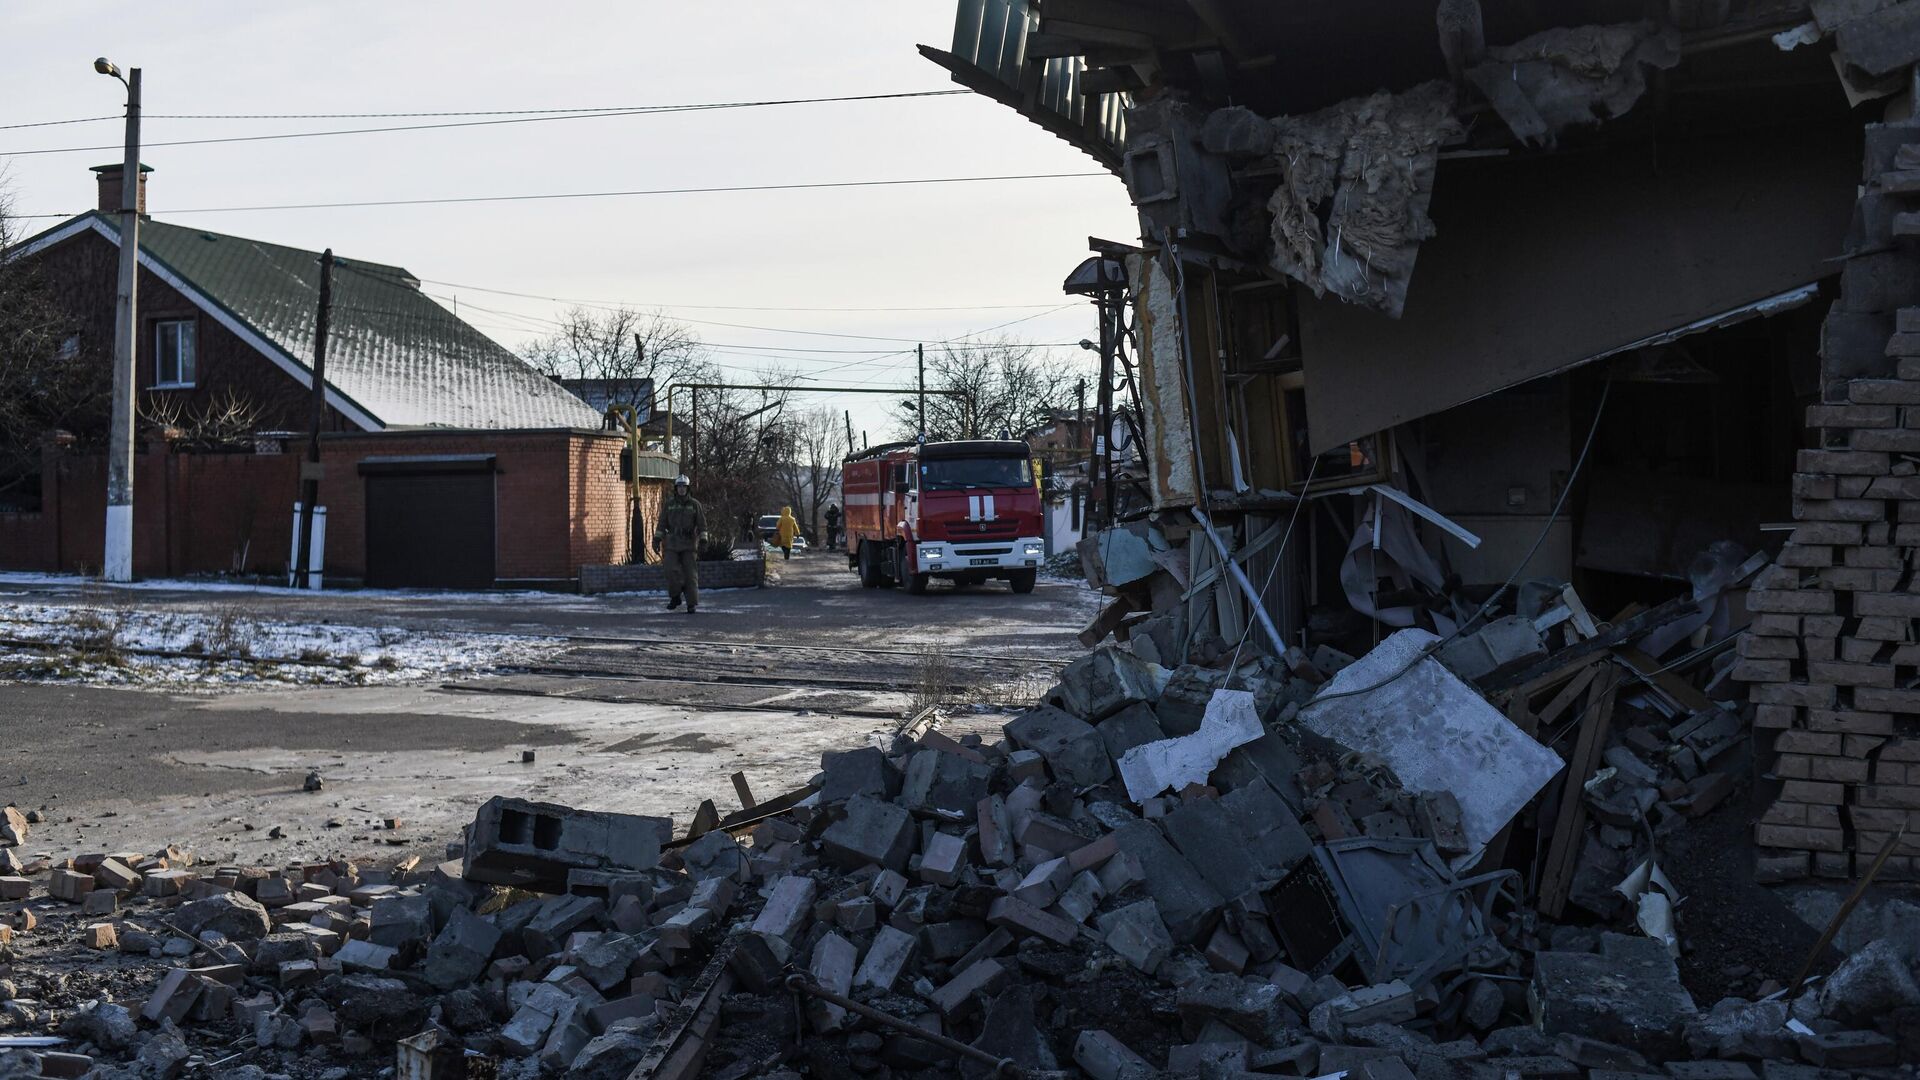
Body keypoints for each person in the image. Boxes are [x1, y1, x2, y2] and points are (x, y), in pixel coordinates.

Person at [654, 475, 705, 613]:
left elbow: (702, 524)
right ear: (676, 489)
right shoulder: (669, 504)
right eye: (679, 486)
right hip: (672, 543)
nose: (682, 489)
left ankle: (691, 604)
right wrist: (657, 539)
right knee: (670, 570)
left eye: (684, 486)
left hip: (689, 544)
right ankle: (675, 597)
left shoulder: (695, 505)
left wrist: (704, 539)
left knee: (690, 574)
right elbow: (662, 523)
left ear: (688, 488)